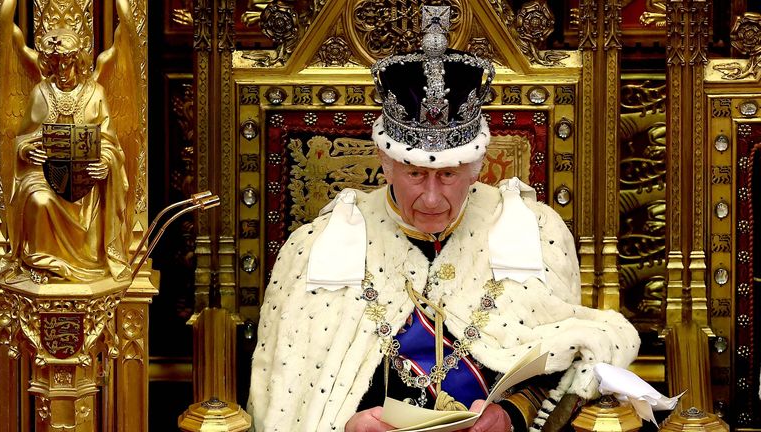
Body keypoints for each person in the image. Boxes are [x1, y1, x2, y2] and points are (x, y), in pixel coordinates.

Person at [249, 7, 639, 431]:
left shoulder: (535, 230)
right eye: (415, 174)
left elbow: (569, 360)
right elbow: (292, 387)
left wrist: (511, 415)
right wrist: (349, 424)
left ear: (476, 167)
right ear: (385, 162)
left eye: (449, 175)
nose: (432, 198)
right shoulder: (316, 244)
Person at [0, 27, 130, 284]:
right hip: (45, 175)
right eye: (56, 64)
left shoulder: (96, 93)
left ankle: (91, 260)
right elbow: (23, 137)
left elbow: (110, 141)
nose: (62, 72)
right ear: (48, 65)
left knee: (90, 199)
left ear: (77, 62)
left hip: (86, 182)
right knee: (37, 199)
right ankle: (42, 263)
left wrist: (104, 162)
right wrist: (27, 150)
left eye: (67, 64)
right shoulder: (41, 93)